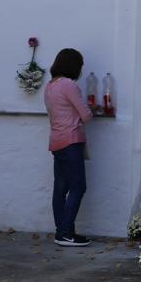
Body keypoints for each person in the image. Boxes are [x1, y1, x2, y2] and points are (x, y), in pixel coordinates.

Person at [45, 48, 92, 247]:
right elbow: (86, 115)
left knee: (60, 188)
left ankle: (61, 231)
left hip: (56, 140)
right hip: (71, 140)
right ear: (74, 66)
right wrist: (91, 108)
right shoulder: (69, 85)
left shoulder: (50, 86)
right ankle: (65, 232)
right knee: (78, 186)